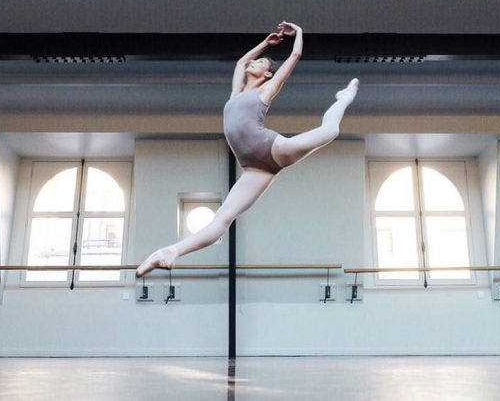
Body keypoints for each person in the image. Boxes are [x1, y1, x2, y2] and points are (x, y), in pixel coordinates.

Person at [136, 21, 358, 277]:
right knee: (223, 218)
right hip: (254, 168)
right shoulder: (235, 94)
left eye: (261, 63)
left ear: (266, 75)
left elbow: (295, 56)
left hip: (274, 149)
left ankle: (344, 98)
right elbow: (241, 62)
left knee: (330, 131)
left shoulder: (266, 90)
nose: (254, 63)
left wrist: (299, 33)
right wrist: (266, 42)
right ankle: (170, 252)